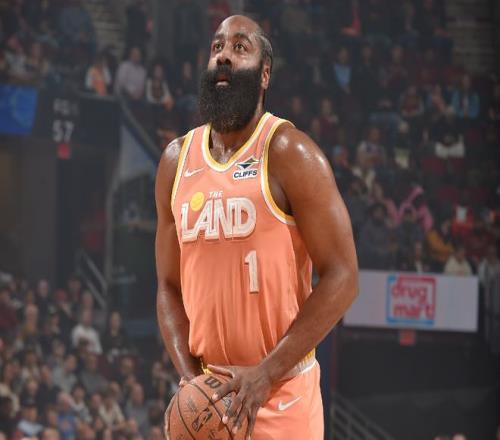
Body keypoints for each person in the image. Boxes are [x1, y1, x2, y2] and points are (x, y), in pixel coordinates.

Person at [156, 15, 358, 440]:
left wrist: (265, 374)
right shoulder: (176, 162)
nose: (224, 56)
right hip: (213, 405)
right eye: (217, 47)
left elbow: (343, 276)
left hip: (282, 398)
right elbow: (168, 287)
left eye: (240, 47)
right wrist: (192, 383)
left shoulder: (290, 152)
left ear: (264, 74)